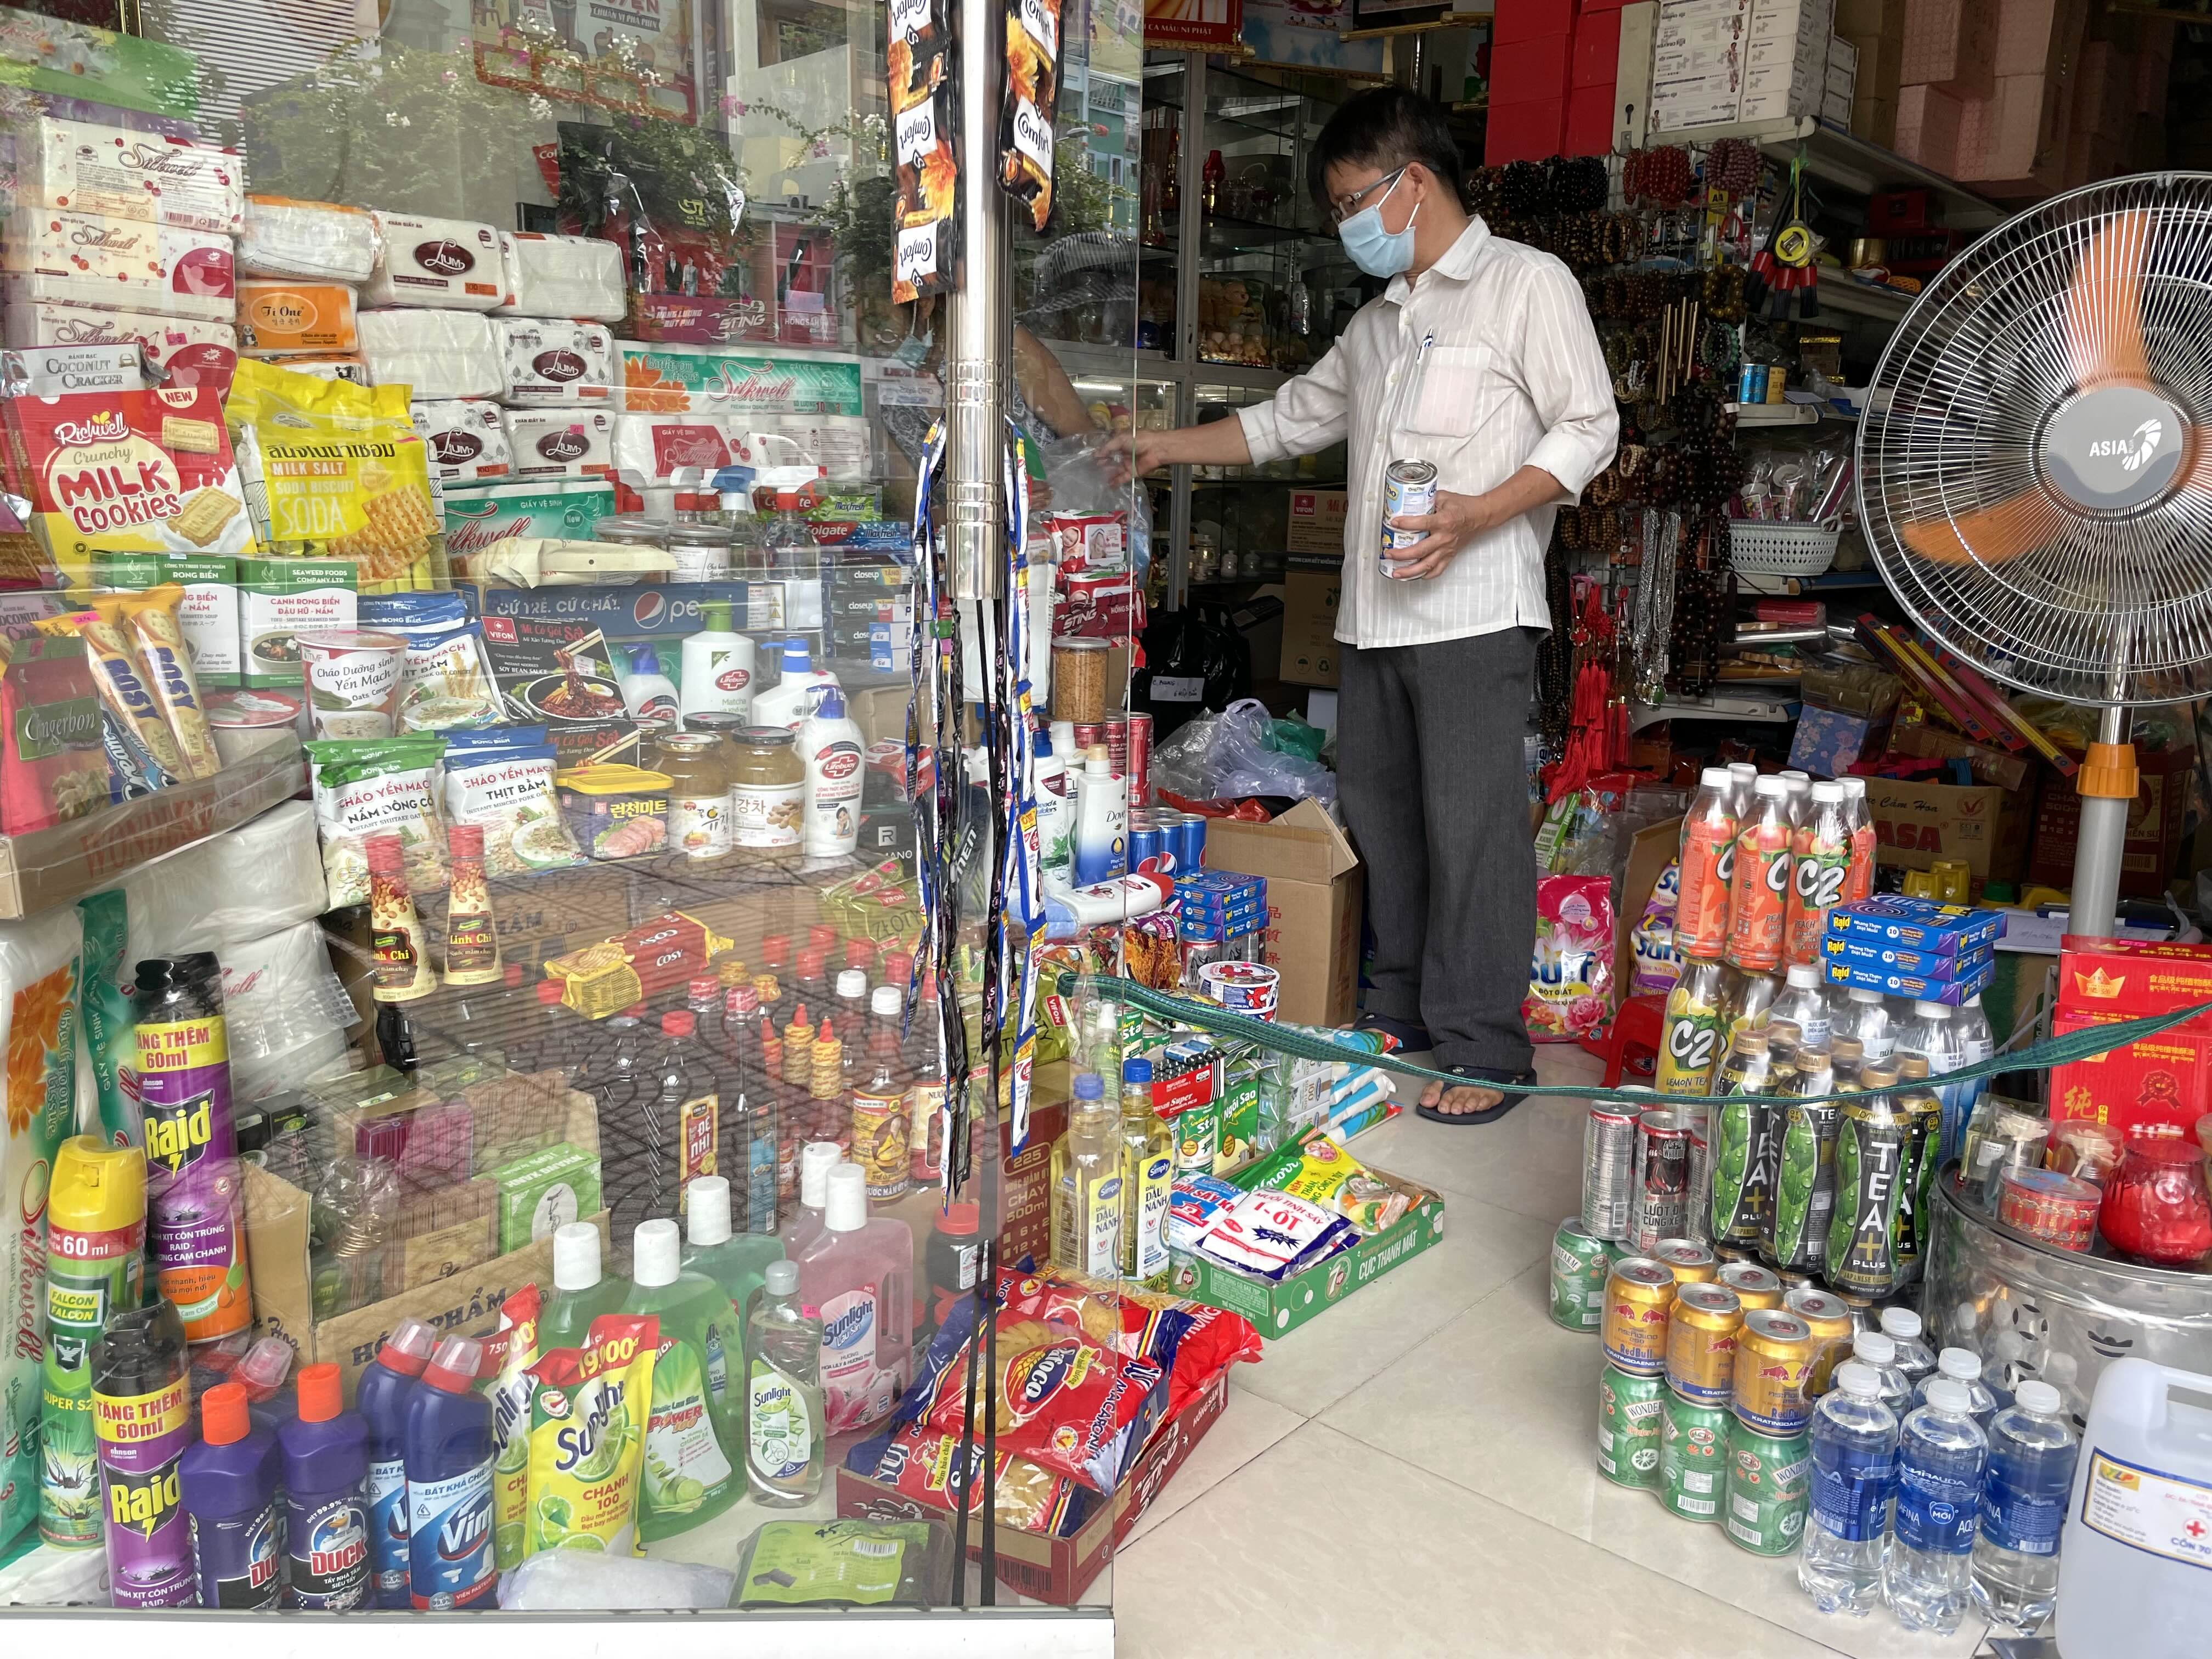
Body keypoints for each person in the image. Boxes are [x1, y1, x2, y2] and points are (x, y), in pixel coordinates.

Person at [1124, 87, 1617, 1122]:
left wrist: (1477, 513)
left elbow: (1589, 427)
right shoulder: (1376, 324)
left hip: (1473, 612)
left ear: (1414, 183)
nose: (1348, 223)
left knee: (1473, 830)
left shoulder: (1526, 285)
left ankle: (1487, 1052)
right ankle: (1403, 1012)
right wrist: (1164, 445)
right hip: (1374, 617)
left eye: (1355, 201)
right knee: (1386, 820)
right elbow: (1285, 421)